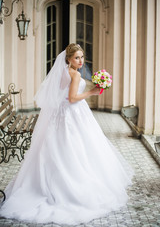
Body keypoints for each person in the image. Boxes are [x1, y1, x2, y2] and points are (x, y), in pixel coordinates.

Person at [0, 43, 134, 225]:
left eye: (81, 57)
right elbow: (71, 99)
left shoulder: (62, 71)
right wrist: (91, 92)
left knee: (57, 149)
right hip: (72, 114)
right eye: (76, 57)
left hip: (59, 116)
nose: (80, 61)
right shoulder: (76, 74)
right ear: (68, 59)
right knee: (77, 149)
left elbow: (60, 95)